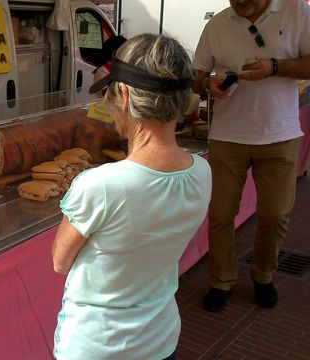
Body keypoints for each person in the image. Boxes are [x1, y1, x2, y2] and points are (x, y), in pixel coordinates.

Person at [52, 34, 212, 360]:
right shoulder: (202, 172)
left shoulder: (99, 185)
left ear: (123, 95)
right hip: (160, 339)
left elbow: (60, 262)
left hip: (96, 346)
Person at [193, 0, 310, 312]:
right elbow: (197, 75)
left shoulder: (297, 12)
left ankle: (263, 274)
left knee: (275, 214)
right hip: (227, 137)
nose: (240, 1)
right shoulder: (217, 24)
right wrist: (207, 83)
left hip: (280, 136)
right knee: (220, 216)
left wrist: (275, 66)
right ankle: (221, 280)